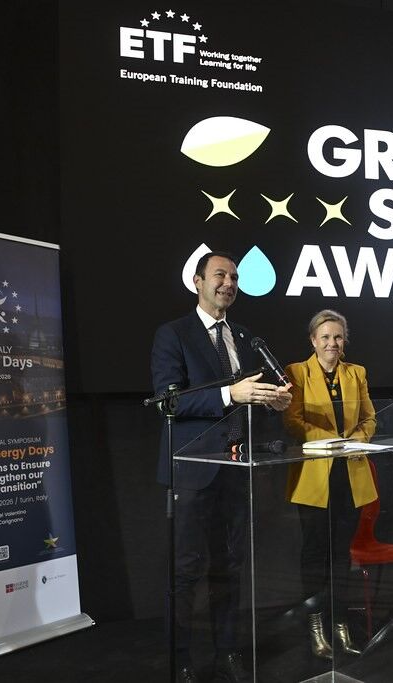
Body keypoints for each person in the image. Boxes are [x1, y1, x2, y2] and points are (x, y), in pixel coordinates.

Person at [152, 251, 291, 683]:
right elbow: (169, 402)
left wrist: (272, 401)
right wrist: (232, 394)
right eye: (219, 275)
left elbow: (250, 397)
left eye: (234, 277)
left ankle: (228, 653)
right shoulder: (173, 334)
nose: (228, 283)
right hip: (192, 472)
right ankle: (181, 661)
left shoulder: (244, 336)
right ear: (197, 281)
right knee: (186, 572)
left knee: (229, 568)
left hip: (235, 469)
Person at [282, 309, 377, 660]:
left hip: (350, 475)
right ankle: (316, 628)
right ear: (313, 340)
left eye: (337, 337)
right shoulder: (297, 372)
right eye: (325, 337)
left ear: (344, 340)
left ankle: (341, 625)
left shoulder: (357, 373)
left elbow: (369, 418)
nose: (331, 343)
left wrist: (355, 440)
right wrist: (330, 440)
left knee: (340, 555)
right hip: (314, 478)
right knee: (314, 554)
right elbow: (293, 420)